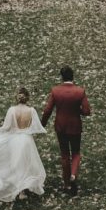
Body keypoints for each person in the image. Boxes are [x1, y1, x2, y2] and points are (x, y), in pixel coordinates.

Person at [41, 66, 91, 195]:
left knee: (64, 154)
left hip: (61, 126)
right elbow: (86, 111)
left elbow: (47, 110)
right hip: (75, 126)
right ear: (72, 76)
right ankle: (73, 174)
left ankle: (67, 184)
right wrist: (76, 110)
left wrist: (43, 124)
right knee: (76, 152)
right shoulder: (80, 91)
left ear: (62, 77)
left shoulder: (56, 90)